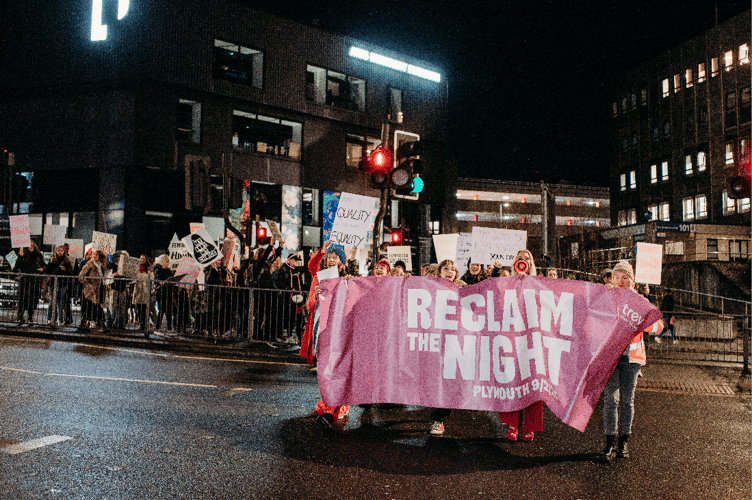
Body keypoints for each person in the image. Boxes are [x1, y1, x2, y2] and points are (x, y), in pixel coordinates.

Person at [599, 259, 662, 463]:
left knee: (627, 401)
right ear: (612, 279)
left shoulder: (640, 302)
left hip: (632, 359)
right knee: (610, 400)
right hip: (611, 357)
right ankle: (609, 442)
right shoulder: (606, 298)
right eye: (617, 277)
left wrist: (645, 324)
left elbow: (659, 326)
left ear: (632, 282)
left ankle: (623, 442)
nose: (621, 281)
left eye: (626, 277)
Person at [299, 241, 352, 429]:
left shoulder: (348, 280)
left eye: (335, 256)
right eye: (330, 255)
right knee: (326, 371)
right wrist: (316, 294)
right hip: (321, 331)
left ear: (341, 262)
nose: (331, 258)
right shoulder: (318, 278)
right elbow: (309, 305)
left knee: (335, 370)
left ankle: (330, 409)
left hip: (340, 332)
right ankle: (334, 405)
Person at [498, 249, 544, 442]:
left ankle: (530, 426)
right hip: (512, 339)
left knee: (533, 384)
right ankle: (512, 424)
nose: (523, 260)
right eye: (519, 258)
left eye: (526, 259)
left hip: (533, 340)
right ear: (515, 262)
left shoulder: (540, 283)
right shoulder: (507, 283)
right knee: (513, 382)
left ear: (531, 263)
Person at [428, 259, 467, 435]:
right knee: (433, 377)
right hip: (433, 338)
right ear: (439, 271)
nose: (449, 271)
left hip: (454, 339)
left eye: (452, 269)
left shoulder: (464, 288)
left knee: (447, 378)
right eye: (445, 268)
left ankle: (439, 419)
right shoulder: (428, 285)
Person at [14, 242, 46, 325]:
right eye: (29, 245)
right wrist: (20, 257)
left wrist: (42, 269)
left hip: (34, 281)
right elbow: (17, 267)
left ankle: (30, 317)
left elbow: (44, 266)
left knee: (32, 299)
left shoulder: (38, 256)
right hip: (24, 280)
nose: (31, 247)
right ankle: (20, 316)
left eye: (32, 245)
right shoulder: (23, 255)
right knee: (22, 298)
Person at [78, 249, 108, 329]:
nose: (94, 256)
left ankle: (97, 322)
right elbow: (81, 276)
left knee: (96, 306)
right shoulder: (89, 264)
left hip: (99, 289)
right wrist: (87, 283)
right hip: (90, 289)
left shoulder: (101, 265)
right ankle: (87, 322)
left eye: (97, 255)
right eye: (94, 254)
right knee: (89, 306)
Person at [44, 245, 75, 326]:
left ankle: (60, 319)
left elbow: (70, 272)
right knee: (51, 302)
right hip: (52, 283)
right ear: (56, 251)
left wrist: (64, 270)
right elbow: (48, 270)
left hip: (62, 283)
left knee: (60, 302)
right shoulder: (52, 260)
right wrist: (51, 263)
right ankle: (49, 319)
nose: (60, 252)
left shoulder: (67, 261)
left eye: (61, 250)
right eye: (58, 250)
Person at [153, 254, 176, 332]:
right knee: (162, 309)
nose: (168, 261)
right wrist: (161, 282)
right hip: (161, 292)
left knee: (169, 310)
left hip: (168, 292)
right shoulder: (158, 270)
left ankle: (169, 327)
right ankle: (157, 326)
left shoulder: (169, 271)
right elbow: (156, 279)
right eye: (166, 259)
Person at [131, 254, 153, 335]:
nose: (142, 260)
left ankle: (144, 325)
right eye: (141, 259)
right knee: (138, 309)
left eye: (143, 259)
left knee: (144, 309)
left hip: (145, 292)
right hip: (138, 291)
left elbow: (151, 278)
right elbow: (133, 279)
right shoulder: (136, 268)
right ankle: (140, 324)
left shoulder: (149, 269)